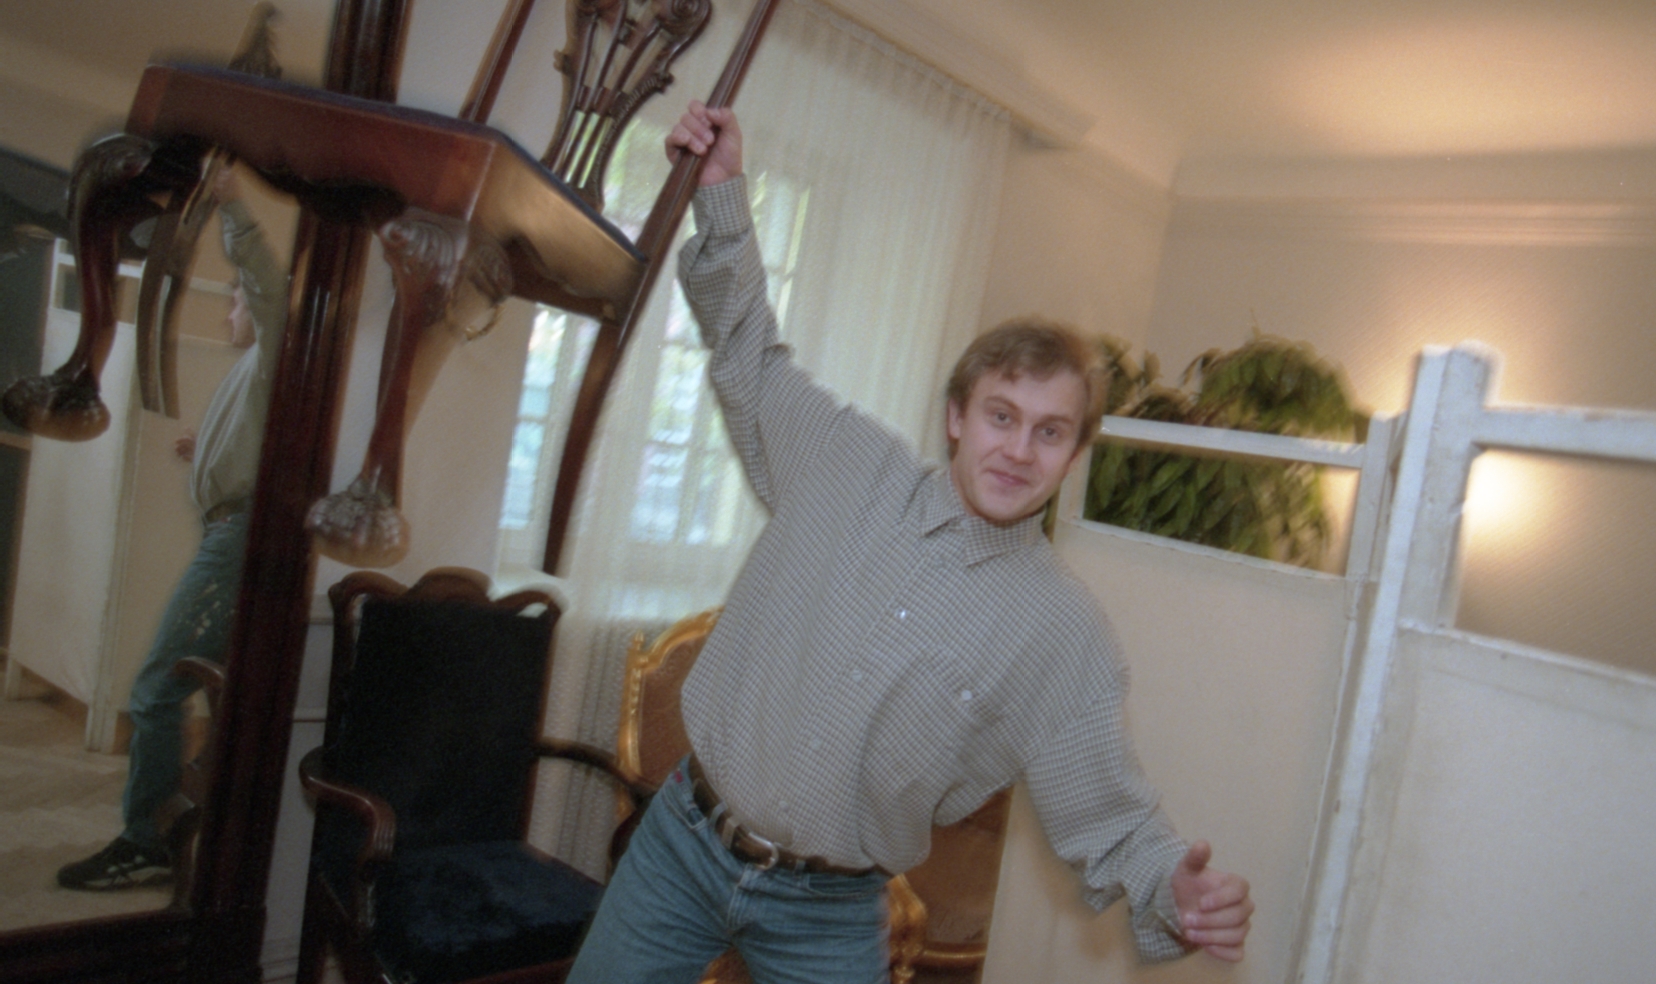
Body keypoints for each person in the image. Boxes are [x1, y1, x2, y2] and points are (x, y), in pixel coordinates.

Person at [565, 103, 1254, 983]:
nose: (1019, 449)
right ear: (957, 417)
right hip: (682, 846)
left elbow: (1109, 812)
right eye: (1001, 415)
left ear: (1075, 453)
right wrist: (723, 193)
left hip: (827, 913)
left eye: (1049, 431)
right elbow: (748, 351)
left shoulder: (1061, 631)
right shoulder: (843, 462)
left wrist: (1172, 890)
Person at [58, 166, 288, 891]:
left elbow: (269, 289)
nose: (228, 315)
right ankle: (168, 831)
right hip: (230, 532)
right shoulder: (254, 374)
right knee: (178, 686)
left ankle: (144, 843)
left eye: (233, 302)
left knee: (158, 687)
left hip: (236, 540)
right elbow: (252, 451)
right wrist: (203, 452)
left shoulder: (275, 347)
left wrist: (234, 207)